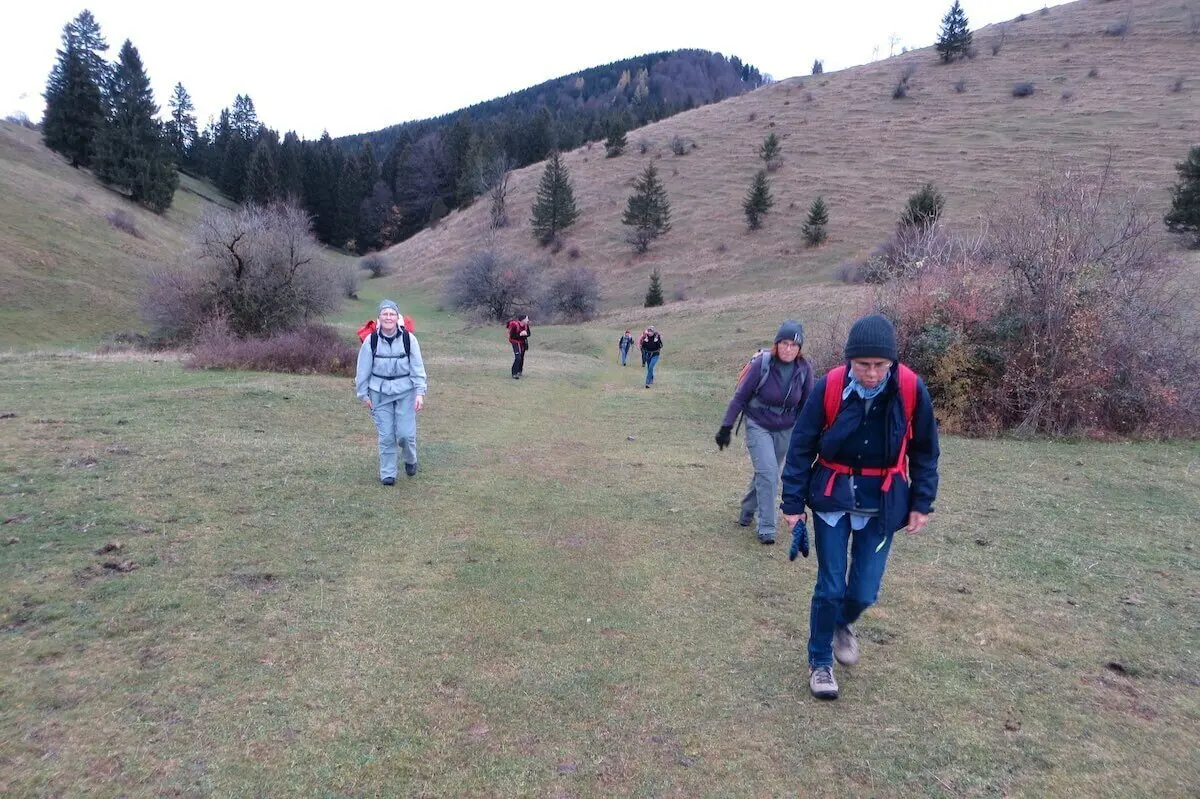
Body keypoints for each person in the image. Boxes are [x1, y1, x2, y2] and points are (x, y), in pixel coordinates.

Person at [779, 314, 939, 701]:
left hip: (882, 502)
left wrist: (922, 502)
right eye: (863, 364)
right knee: (830, 586)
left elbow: (925, 452)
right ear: (850, 360)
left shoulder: (911, 390)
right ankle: (820, 662)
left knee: (864, 591)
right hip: (833, 497)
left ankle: (841, 624)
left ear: (892, 363)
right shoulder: (830, 387)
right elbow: (801, 444)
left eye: (879, 365)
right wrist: (793, 502)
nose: (870, 373)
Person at [715, 321, 814, 545]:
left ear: (800, 348)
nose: (789, 349)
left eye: (794, 345)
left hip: (786, 429)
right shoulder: (763, 363)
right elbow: (740, 397)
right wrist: (726, 427)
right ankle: (766, 527)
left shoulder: (804, 369)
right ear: (777, 344)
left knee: (766, 473)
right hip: (758, 424)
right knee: (769, 473)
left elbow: (809, 405)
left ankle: (747, 510)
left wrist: (813, 435)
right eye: (784, 343)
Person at [355, 300, 428, 485]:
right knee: (386, 435)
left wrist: (420, 392)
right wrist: (363, 395)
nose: (388, 317)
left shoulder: (409, 339)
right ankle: (388, 473)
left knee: (405, 434)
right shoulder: (371, 341)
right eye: (384, 314)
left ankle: (410, 459)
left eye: (392, 314)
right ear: (379, 318)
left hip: (405, 392)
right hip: (379, 394)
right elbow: (362, 370)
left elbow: (417, 367)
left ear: (397, 317)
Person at [507, 313, 531, 379]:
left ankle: (519, 371)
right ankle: (514, 373)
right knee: (518, 357)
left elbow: (529, 333)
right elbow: (512, 336)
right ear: (522, 320)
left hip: (522, 343)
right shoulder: (515, 326)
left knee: (521, 357)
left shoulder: (526, 326)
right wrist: (520, 334)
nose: (528, 320)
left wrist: (525, 334)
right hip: (515, 342)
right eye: (526, 319)